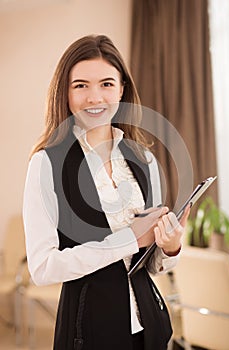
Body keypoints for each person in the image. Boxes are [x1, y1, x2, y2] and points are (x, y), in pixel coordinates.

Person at [23, 34, 190, 350]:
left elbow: (148, 264)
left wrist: (170, 247)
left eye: (107, 84)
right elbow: (42, 268)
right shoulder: (46, 164)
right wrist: (125, 240)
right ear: (66, 92)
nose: (94, 97)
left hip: (150, 328)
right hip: (87, 332)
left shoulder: (144, 160)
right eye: (81, 85)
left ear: (122, 89)